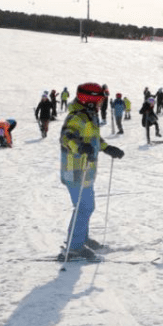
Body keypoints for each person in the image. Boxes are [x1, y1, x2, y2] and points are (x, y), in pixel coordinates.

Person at [58, 83, 124, 261]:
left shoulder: (89, 116)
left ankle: (81, 238)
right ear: (90, 101)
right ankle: (74, 247)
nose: (102, 103)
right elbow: (65, 137)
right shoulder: (77, 117)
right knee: (84, 207)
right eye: (100, 100)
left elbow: (93, 138)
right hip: (75, 170)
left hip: (85, 170)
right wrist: (79, 146)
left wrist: (107, 147)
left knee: (85, 207)